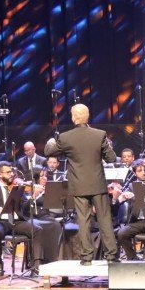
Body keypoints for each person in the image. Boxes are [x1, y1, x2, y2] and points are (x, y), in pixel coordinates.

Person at [45, 103, 120, 265]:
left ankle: (86, 258)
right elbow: (112, 158)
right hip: (98, 184)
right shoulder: (99, 134)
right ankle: (112, 256)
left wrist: (51, 141)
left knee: (83, 221)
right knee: (104, 219)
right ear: (88, 117)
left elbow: (48, 152)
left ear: (73, 118)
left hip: (79, 186)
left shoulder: (65, 137)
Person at [0, 161, 59, 275]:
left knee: (37, 229)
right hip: (1, 221)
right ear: (0, 174)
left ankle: (35, 265)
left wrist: (33, 196)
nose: (11, 174)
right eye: (8, 172)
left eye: (12, 171)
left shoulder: (17, 188)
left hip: (16, 221)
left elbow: (25, 205)